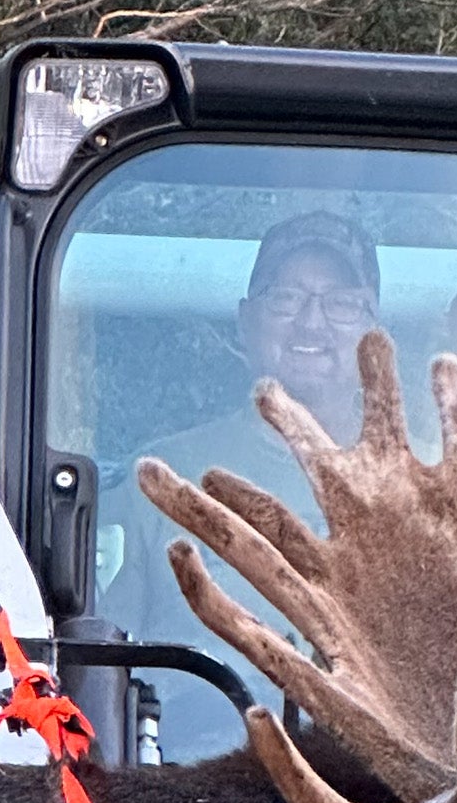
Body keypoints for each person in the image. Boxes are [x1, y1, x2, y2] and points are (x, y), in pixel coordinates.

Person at [98, 212, 383, 757]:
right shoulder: (162, 482)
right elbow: (93, 665)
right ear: (245, 321)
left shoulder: (426, 489)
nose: (312, 324)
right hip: (200, 790)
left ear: (375, 333)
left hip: (384, 801)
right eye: (286, 300)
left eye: (342, 304)